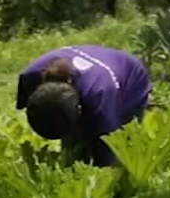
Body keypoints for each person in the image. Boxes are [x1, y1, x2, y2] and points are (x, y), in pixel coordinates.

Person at [15, 45, 153, 168]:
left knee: (122, 148)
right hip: (95, 61)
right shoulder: (31, 76)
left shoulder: (99, 96)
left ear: (79, 109)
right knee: (73, 150)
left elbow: (107, 148)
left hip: (131, 80)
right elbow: (27, 105)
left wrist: (102, 178)